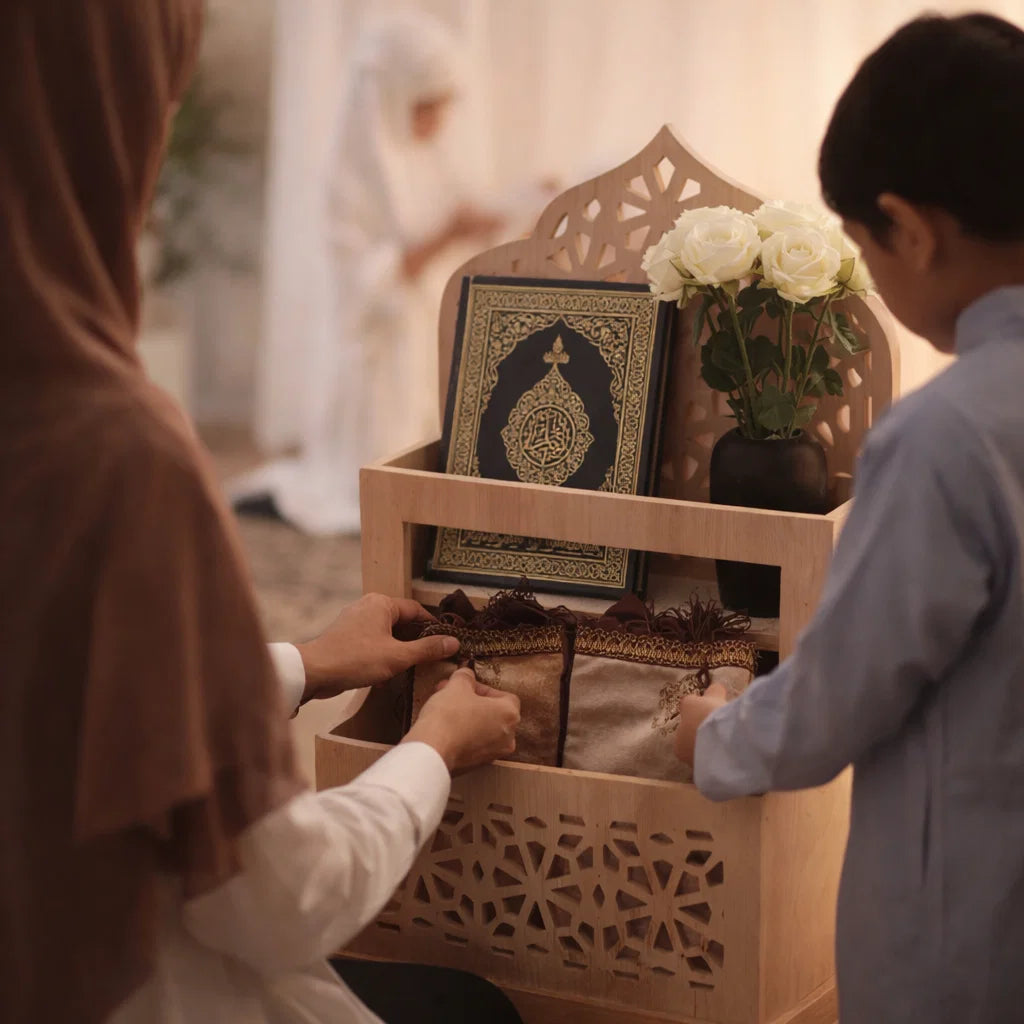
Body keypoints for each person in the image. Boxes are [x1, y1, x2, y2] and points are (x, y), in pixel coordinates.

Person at [0, 4, 523, 1023]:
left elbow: (50, 694)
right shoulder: (111, 455)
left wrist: (295, 664)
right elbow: (277, 903)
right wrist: (433, 752)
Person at [674, 13, 1024, 1024]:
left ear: (909, 228)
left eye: (865, 246)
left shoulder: (946, 437)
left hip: (971, 931)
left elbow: (837, 696)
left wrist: (715, 736)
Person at [233, 12, 506, 535]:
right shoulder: (349, 175)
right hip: (377, 356)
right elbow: (364, 282)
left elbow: (457, 212)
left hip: (425, 334)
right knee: (382, 488)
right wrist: (448, 234)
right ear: (397, 100)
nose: (439, 120)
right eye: (429, 107)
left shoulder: (423, 157)